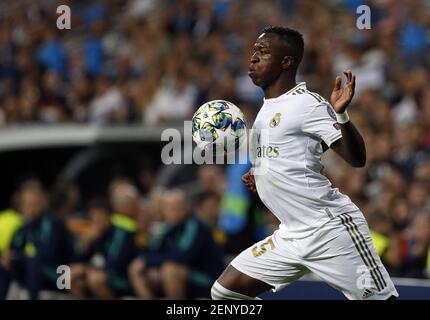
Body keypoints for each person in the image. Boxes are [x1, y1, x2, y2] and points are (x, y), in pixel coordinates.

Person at [211, 26, 399, 300]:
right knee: (225, 292)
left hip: (330, 230)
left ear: (286, 62)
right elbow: (297, 153)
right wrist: (261, 173)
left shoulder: (307, 104)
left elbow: (357, 158)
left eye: (262, 52)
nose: (252, 58)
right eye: (253, 51)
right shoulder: (266, 110)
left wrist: (341, 115)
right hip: (291, 235)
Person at [129, 189, 224, 299]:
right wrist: (145, 262)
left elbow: (182, 256)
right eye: (171, 209)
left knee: (170, 270)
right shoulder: (168, 228)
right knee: (140, 270)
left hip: (208, 279)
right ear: (164, 211)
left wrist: (147, 261)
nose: (176, 212)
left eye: (179, 208)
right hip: (186, 275)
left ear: (187, 208)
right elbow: (156, 251)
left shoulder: (195, 225)